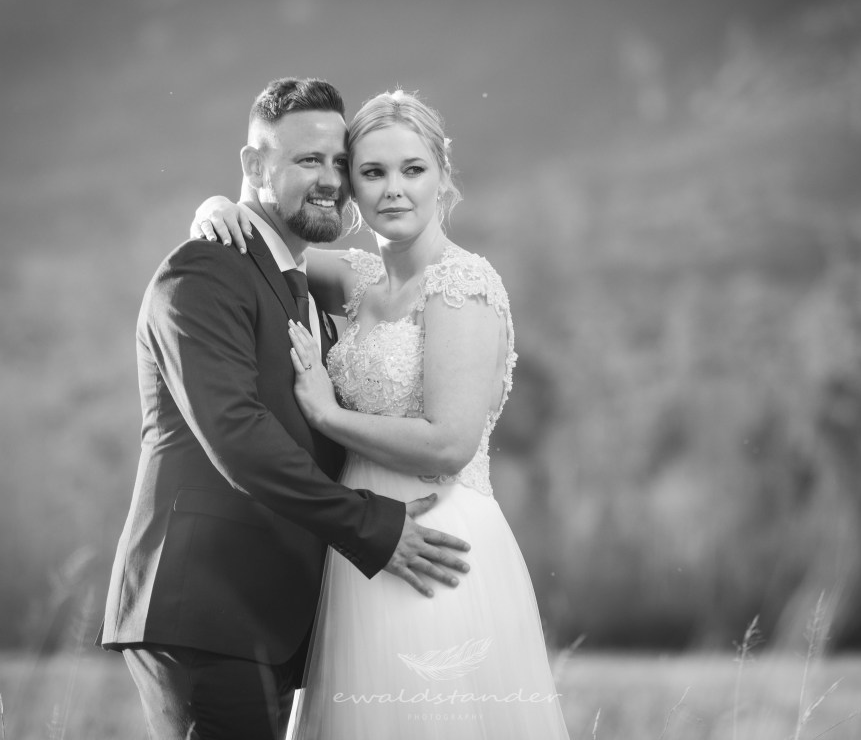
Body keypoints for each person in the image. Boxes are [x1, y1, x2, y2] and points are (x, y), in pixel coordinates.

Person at [100, 77, 473, 740]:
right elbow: (238, 435)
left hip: (269, 617)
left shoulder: (305, 289)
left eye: (339, 162)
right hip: (205, 608)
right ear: (254, 164)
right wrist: (370, 525)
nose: (330, 179)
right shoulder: (205, 272)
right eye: (308, 160)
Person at [191, 89, 570, 738]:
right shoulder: (357, 280)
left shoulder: (462, 285)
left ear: (442, 176)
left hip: (436, 543)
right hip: (358, 548)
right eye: (371, 172)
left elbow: (449, 444)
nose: (393, 189)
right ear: (350, 188)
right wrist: (215, 207)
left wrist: (327, 414)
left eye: (412, 169)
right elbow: (268, 246)